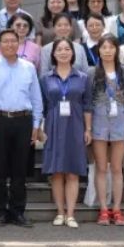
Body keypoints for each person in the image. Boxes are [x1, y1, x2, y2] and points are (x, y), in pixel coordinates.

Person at [0, 29, 44, 227]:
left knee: (20, 168)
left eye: (13, 41)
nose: (9, 44)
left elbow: (36, 98)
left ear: (19, 43)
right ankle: (0, 210)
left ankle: (18, 211)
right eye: (5, 41)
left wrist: (36, 125)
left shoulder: (28, 67)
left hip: (23, 120)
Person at [40, 38, 93, 228]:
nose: (63, 52)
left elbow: (88, 105)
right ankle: (60, 213)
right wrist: (40, 129)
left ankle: (70, 214)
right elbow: (42, 106)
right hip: (53, 125)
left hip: (75, 125)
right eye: (59, 49)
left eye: (67, 49)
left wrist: (88, 129)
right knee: (56, 172)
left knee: (72, 171)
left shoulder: (83, 77)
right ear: (53, 54)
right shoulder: (46, 78)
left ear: (73, 53)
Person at [89, 37, 124, 226]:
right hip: (99, 121)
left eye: (111, 47)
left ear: (116, 50)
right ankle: (103, 209)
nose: (107, 51)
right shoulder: (92, 72)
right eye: (104, 47)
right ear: (98, 51)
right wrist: (88, 127)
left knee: (116, 168)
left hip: (120, 122)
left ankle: (116, 208)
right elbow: (88, 101)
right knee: (101, 167)